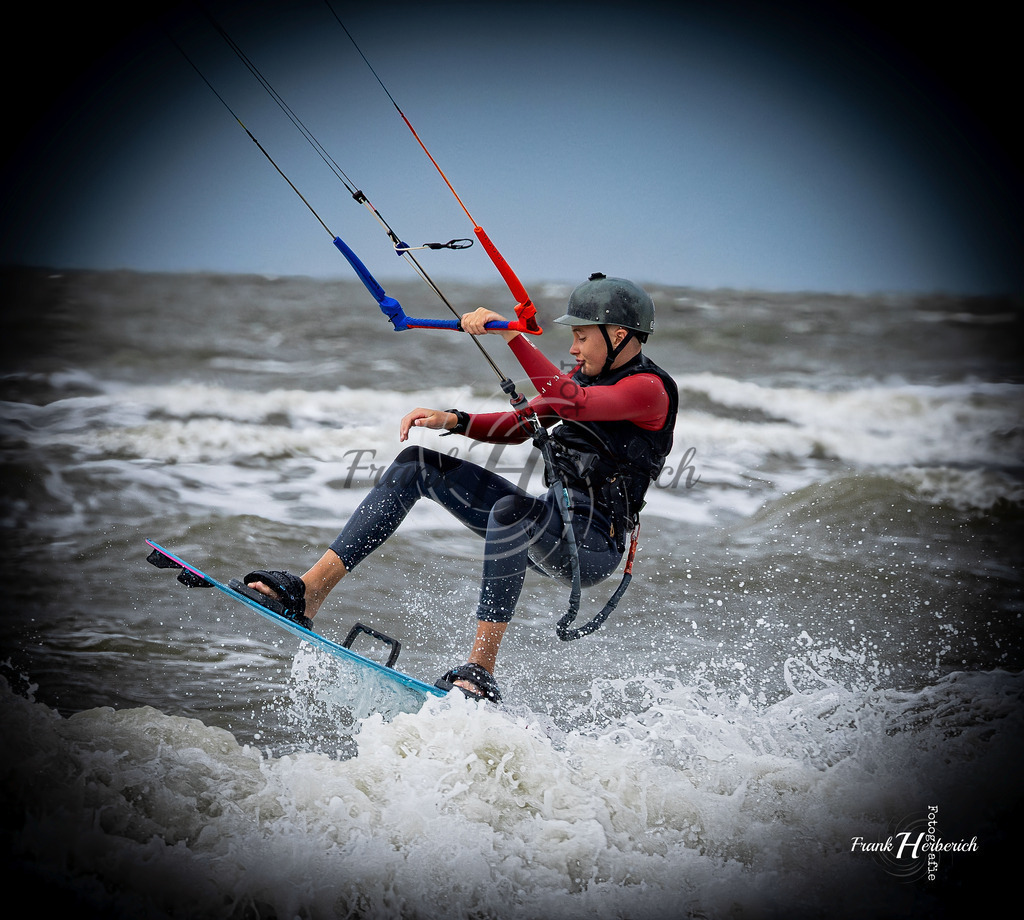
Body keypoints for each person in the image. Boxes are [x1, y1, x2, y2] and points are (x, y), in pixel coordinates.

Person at [238, 273, 678, 702]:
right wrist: (454, 420)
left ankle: (480, 671)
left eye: (581, 336)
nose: (572, 347)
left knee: (510, 512)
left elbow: (570, 402)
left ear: (619, 334)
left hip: (589, 546)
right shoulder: (582, 380)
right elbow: (520, 424)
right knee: (417, 464)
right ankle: (309, 592)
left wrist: (510, 335)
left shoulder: (649, 389)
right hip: (549, 520)